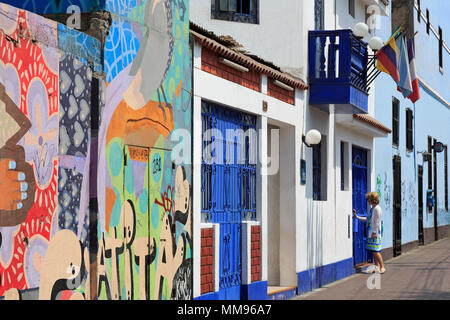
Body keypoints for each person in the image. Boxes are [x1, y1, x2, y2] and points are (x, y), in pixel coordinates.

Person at [353, 192, 386, 274]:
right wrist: (357, 217)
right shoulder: (372, 209)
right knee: (373, 251)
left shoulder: (377, 209)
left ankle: (382, 267)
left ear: (372, 200)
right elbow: (368, 219)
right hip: (371, 233)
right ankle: (377, 267)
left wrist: (374, 232)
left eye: (368, 199)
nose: (367, 201)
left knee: (376, 251)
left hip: (375, 234)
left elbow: (377, 222)